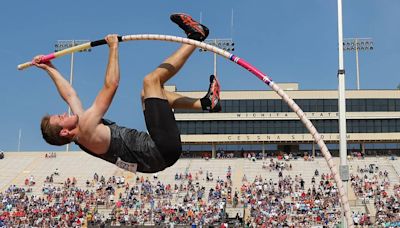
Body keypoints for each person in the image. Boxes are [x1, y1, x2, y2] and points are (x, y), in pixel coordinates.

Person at [33, 13, 221, 173]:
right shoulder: (87, 128)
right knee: (151, 81)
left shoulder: (82, 133)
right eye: (60, 117)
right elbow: (111, 85)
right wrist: (114, 47)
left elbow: (69, 95)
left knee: (146, 94)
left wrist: (49, 68)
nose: (64, 113)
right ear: (65, 131)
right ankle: (196, 36)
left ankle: (205, 103)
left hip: (157, 157)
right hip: (160, 150)